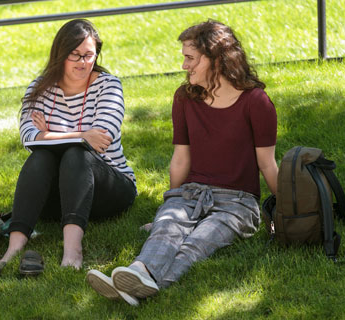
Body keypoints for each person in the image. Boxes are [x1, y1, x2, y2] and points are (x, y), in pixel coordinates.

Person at [86, 20, 278, 306]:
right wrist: (167, 207)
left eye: (191, 58)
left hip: (238, 203)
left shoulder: (256, 102)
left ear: (217, 60)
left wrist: (289, 212)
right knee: (166, 228)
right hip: (189, 193)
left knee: (197, 242)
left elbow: (267, 164)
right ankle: (138, 272)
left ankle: (137, 287)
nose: (184, 65)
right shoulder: (185, 97)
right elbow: (181, 158)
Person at [0, 19, 137, 283]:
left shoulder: (109, 86)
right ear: (60, 54)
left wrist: (49, 134)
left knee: (77, 155)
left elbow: (101, 139)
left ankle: (72, 252)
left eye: (89, 55)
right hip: (58, 196)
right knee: (41, 157)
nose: (83, 62)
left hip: (109, 190)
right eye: (75, 55)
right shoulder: (40, 88)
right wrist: (81, 134)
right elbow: (30, 138)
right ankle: (13, 249)